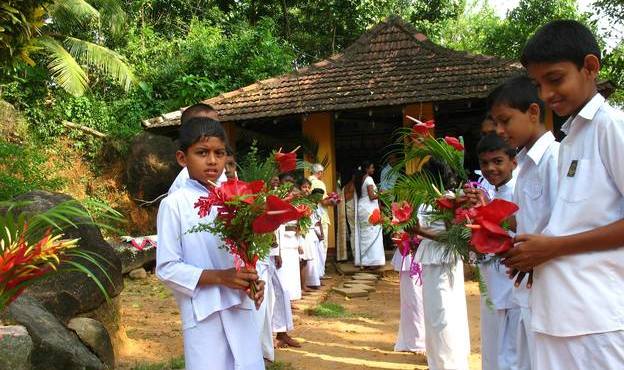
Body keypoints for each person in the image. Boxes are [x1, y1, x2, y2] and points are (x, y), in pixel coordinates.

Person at [503, 20, 624, 370]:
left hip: (598, 320)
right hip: (556, 312)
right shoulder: (570, 138)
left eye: (555, 80)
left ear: (590, 67)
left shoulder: (610, 128)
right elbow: (573, 221)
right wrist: (537, 256)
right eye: (539, 85)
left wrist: (553, 248)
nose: (546, 94)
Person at [156, 117, 265, 370]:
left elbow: (246, 252)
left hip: (240, 305)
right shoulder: (175, 204)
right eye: (202, 153)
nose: (213, 161)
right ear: (183, 159)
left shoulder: (238, 198)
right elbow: (167, 268)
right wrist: (220, 277)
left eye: (220, 153)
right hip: (203, 312)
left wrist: (252, 280)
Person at [487, 75, 559, 370]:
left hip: (553, 288)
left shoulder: (555, 159)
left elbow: (563, 227)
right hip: (528, 289)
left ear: (533, 112)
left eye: (505, 121)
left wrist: (535, 253)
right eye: (495, 123)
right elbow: (523, 221)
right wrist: (484, 217)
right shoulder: (526, 166)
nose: (500, 131)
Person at [413, 158, 470, 370]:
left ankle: (448, 363)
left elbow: (452, 236)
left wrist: (420, 232)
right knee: (433, 313)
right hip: (431, 257)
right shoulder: (428, 198)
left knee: (444, 314)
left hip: (443, 258)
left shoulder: (448, 199)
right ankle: (436, 362)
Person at [475, 134, 519, 370]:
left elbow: (522, 227)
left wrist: (488, 212)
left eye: (497, 161)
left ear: (514, 161)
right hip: (492, 284)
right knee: (493, 348)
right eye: (484, 163)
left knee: (512, 352)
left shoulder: (519, 192)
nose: (490, 168)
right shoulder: (491, 194)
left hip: (514, 284)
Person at [391, 237, 426, 354]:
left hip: (424, 250)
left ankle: (421, 339)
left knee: (418, 299)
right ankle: (413, 338)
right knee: (410, 300)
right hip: (409, 251)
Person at [352, 161, 385, 268]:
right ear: (366, 169)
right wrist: (383, 194)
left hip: (362, 208)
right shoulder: (369, 179)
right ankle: (373, 262)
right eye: (372, 168)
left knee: (365, 233)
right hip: (369, 209)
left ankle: (365, 261)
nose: (373, 170)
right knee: (373, 232)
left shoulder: (359, 180)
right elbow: (371, 196)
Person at [308, 163, 334, 275]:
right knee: (322, 246)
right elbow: (323, 201)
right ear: (319, 172)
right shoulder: (318, 183)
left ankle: (314, 274)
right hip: (320, 216)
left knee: (313, 245)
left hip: (310, 215)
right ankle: (320, 273)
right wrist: (334, 201)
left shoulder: (307, 181)